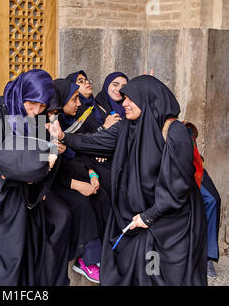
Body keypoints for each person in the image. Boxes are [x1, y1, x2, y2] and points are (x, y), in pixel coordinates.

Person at [47, 75, 208, 285]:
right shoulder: (128, 127)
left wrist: (149, 216)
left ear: (146, 99)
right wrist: (64, 138)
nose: (124, 104)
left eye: (130, 99)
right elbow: (96, 142)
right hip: (135, 220)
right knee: (134, 271)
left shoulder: (174, 133)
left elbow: (179, 186)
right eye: (124, 99)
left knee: (160, 274)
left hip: (168, 226)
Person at [0, 69, 71, 285]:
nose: (36, 111)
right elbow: (1, 160)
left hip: (19, 195)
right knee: (2, 259)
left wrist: (50, 145)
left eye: (42, 106)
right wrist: (41, 161)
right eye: (33, 103)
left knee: (23, 250)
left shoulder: (32, 114)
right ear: (22, 94)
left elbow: (39, 150)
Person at [49, 79, 112, 284]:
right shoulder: (48, 124)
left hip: (72, 172)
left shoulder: (72, 121)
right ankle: (88, 259)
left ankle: (105, 253)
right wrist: (77, 185)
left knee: (102, 195)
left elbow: (82, 150)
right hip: (54, 182)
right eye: (74, 99)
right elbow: (49, 169)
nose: (78, 104)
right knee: (82, 204)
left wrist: (92, 173)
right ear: (62, 100)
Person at [184, 122, 221, 277]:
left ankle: (208, 256)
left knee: (212, 200)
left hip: (194, 167)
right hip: (172, 167)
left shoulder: (185, 128)